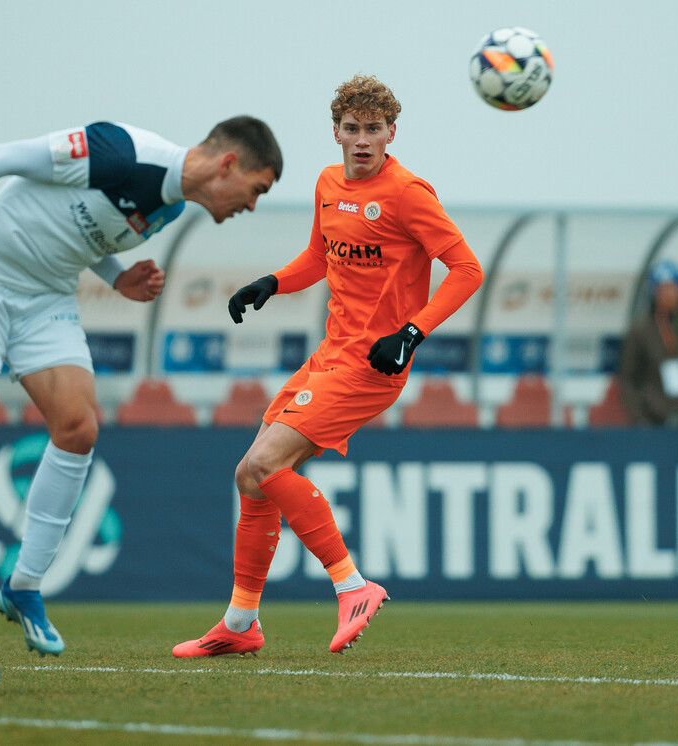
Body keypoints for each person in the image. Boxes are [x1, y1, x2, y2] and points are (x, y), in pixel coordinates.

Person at [0, 116, 282, 691]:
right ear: (228, 165)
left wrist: (118, 277)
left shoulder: (170, 209)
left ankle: (23, 584)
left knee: (78, 428)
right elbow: (8, 156)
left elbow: (85, 236)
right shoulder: (118, 151)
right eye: (257, 189)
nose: (252, 205)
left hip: (44, 297)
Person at [173, 75, 483, 658]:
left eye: (373, 130)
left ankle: (352, 585)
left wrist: (411, 334)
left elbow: (467, 270)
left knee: (264, 463)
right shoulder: (327, 183)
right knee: (250, 475)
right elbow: (320, 256)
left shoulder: (409, 193)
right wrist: (272, 282)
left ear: (392, 133)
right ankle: (241, 625)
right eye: (352, 128)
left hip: (373, 364)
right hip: (328, 356)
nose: (362, 140)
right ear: (336, 131)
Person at [618, 260, 678, 426]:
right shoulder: (639, 331)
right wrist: (639, 418)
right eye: (662, 289)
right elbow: (629, 379)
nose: (668, 294)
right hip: (653, 417)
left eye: (672, 288)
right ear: (653, 293)